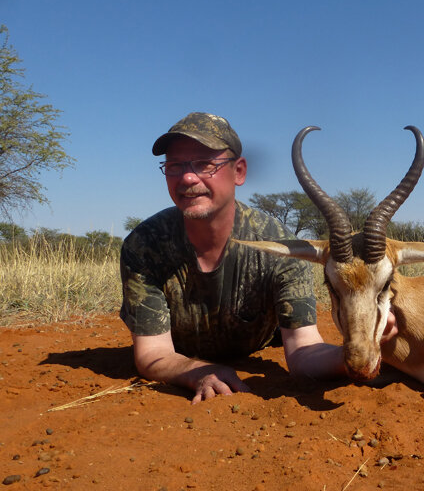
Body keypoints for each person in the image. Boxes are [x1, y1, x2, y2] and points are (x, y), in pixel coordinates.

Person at [120, 112, 395, 403]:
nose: (188, 177)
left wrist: (355, 353)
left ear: (239, 172)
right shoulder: (144, 244)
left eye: (205, 164)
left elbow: (303, 350)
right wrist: (193, 369)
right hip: (180, 352)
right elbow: (153, 353)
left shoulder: (282, 246)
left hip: (258, 343)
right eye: (174, 166)